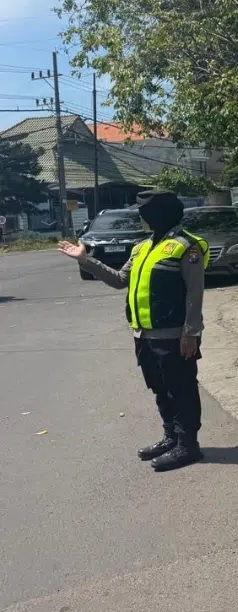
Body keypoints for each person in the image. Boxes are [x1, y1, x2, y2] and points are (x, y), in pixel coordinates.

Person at [58, 190, 210, 472]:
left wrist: (191, 332)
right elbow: (119, 280)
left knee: (182, 390)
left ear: (158, 215)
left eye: (145, 214)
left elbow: (194, 293)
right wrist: (84, 259)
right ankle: (171, 437)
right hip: (144, 336)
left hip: (176, 336)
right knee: (160, 389)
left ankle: (188, 446)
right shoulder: (141, 248)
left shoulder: (186, 247)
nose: (142, 219)